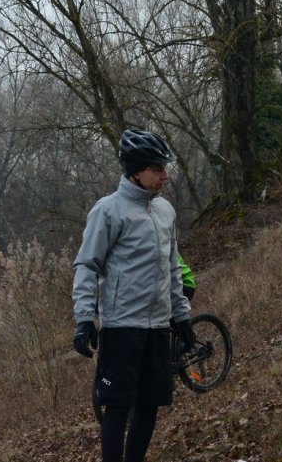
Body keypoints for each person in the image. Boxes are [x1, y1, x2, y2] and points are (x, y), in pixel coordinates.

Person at [71, 128, 195, 462]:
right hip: (122, 325)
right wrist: (84, 319)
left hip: (158, 326)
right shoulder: (108, 211)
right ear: (135, 171)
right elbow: (86, 265)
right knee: (118, 406)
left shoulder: (165, 210)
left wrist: (181, 316)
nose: (165, 175)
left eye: (165, 167)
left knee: (150, 403)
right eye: (158, 169)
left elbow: (172, 267)